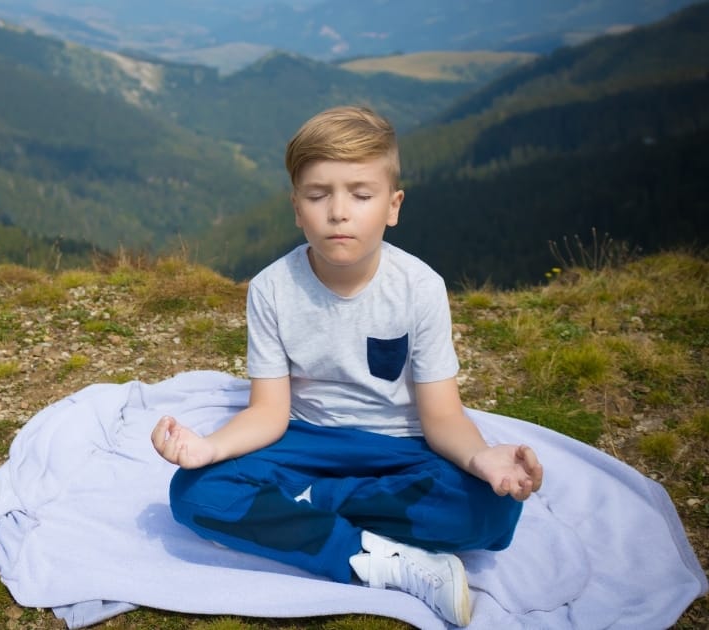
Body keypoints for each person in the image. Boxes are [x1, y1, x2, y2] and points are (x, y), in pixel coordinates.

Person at [150, 105, 543, 627]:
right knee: (194, 492)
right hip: (305, 442)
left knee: (494, 510)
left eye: (361, 195)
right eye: (318, 195)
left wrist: (481, 461)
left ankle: (306, 515)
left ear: (392, 205)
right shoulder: (272, 288)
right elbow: (269, 413)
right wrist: (209, 447)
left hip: (400, 450)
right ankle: (373, 559)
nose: (339, 212)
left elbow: (442, 417)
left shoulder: (419, 287)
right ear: (296, 207)